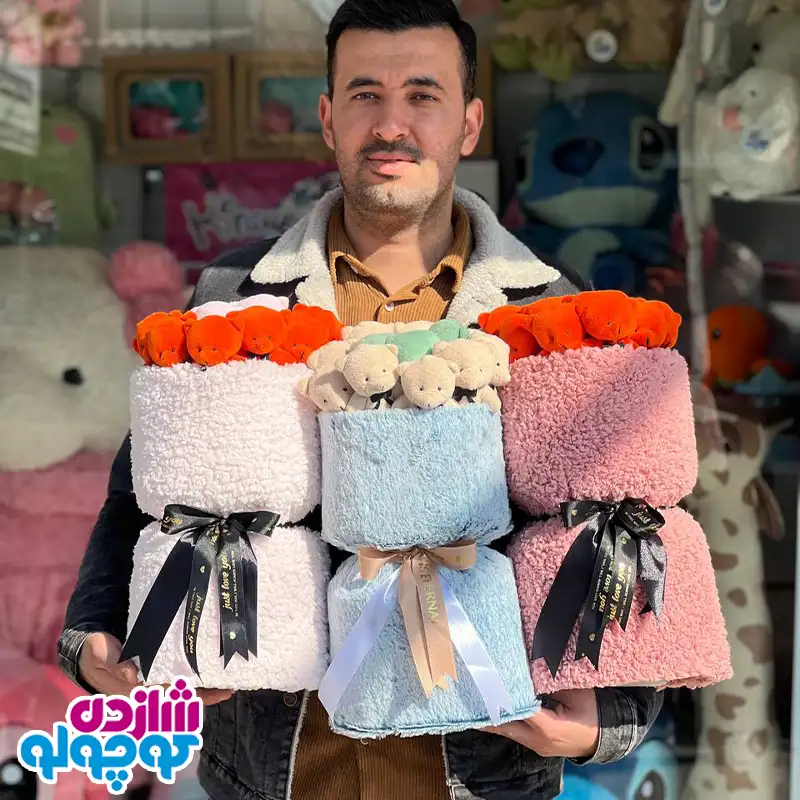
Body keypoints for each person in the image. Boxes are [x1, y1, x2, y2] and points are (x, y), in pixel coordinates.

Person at [58, 1, 662, 798]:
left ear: (469, 124)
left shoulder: (553, 306)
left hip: (482, 773)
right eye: (365, 94)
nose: (391, 124)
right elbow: (141, 497)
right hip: (273, 770)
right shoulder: (234, 297)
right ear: (327, 118)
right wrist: (94, 640)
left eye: (423, 95)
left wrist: (608, 718)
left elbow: (622, 519)